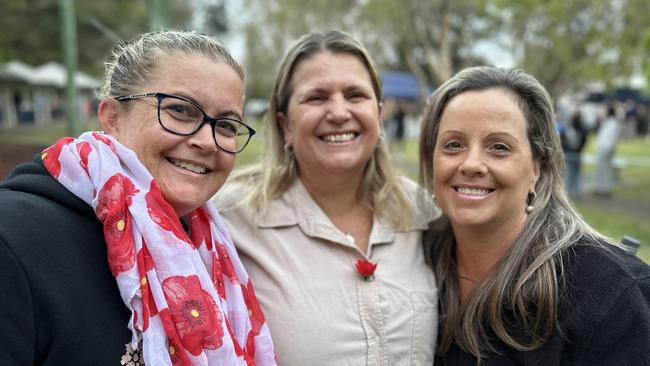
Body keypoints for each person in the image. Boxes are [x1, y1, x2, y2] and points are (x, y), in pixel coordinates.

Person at [0, 30, 275, 366]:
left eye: (228, 126)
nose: (207, 141)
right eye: (180, 110)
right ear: (112, 117)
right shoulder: (13, 237)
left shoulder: (215, 247)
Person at [212, 30, 439, 366]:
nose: (338, 112)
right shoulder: (229, 220)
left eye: (355, 95)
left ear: (378, 115)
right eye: (317, 97)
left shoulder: (423, 212)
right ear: (285, 125)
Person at [419, 66, 650, 365]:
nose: (471, 164)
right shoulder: (413, 261)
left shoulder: (612, 297)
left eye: (499, 147)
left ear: (537, 169)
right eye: (453, 145)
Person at [594, 104, 621, 198]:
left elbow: (610, 139)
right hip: (603, 148)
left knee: (606, 170)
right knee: (601, 169)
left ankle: (605, 189)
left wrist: (606, 150)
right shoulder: (607, 122)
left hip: (606, 149)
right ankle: (600, 188)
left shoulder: (613, 123)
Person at [559, 110, 588, 198]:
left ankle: (568, 191)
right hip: (577, 153)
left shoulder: (568, 128)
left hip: (569, 153)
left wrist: (565, 149)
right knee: (577, 173)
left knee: (569, 173)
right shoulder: (583, 129)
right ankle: (576, 191)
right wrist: (579, 149)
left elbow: (563, 139)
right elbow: (584, 141)